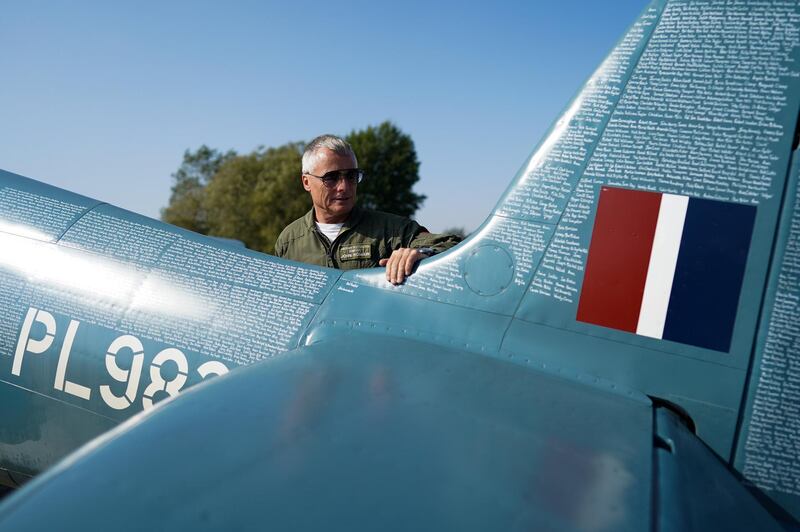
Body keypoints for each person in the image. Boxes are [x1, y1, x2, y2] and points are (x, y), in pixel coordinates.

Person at [275, 134, 460, 284]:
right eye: (331, 178)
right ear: (306, 182)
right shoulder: (288, 241)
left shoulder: (392, 230)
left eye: (351, 176)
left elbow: (452, 246)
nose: (344, 187)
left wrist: (423, 254)